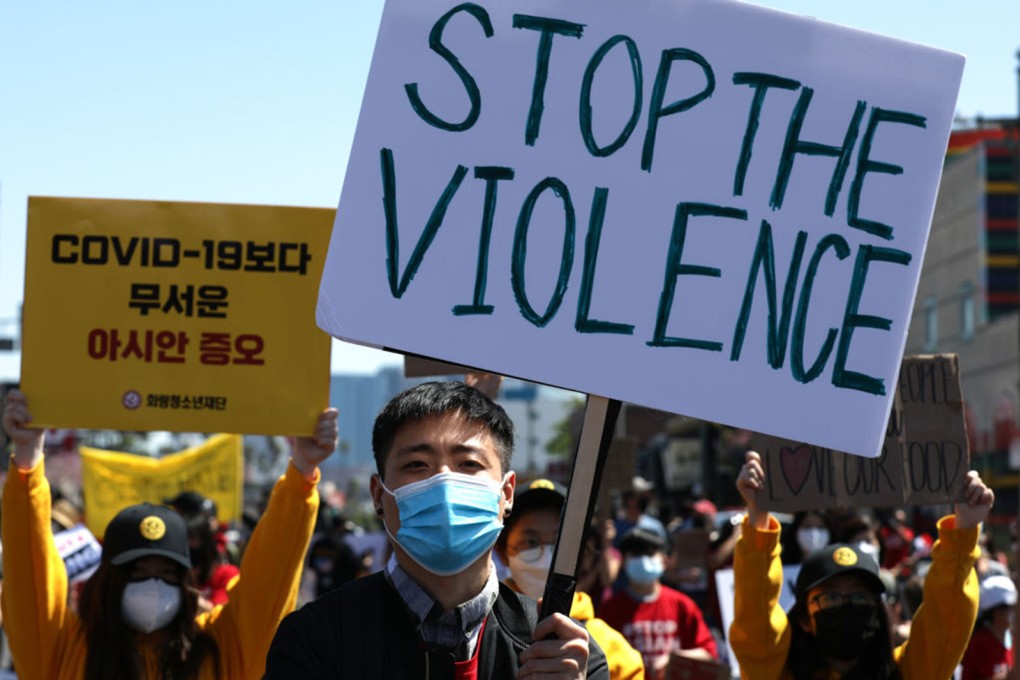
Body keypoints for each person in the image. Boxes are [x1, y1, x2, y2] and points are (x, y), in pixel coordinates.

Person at [265, 381, 608, 679]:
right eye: (417, 465)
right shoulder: (316, 639)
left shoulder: (563, 653)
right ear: (378, 495)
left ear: (506, 494)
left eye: (468, 464)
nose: (444, 483)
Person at [1, 388, 338, 680]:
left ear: (185, 582)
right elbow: (30, 572)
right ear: (108, 580)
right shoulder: (65, 649)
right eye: (138, 572)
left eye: (167, 573)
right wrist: (28, 459)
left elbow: (270, 580)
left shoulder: (223, 648)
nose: (153, 585)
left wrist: (302, 471)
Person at [730, 450, 992, 680]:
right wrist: (758, 517)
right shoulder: (775, 675)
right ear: (803, 619)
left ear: (878, 612)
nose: (847, 607)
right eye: (831, 598)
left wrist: (964, 529)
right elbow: (756, 617)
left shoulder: (908, 672)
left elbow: (946, 620)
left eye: (860, 598)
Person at [495, 478, 645, 680]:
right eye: (530, 542)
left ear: (581, 553)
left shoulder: (614, 651)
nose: (546, 555)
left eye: (558, 542)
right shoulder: (479, 631)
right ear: (502, 552)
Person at [601, 527, 719, 679]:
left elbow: (708, 653)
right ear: (623, 562)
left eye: (650, 554)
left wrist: (673, 660)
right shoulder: (611, 609)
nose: (643, 560)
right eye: (636, 554)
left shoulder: (682, 604)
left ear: (664, 561)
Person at [166, 490, 240, 609]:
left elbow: (219, 613)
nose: (186, 545)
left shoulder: (227, 574)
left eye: (191, 538)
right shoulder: (174, 575)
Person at [960, 574, 1016, 680]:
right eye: (1011, 607)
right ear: (996, 612)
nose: (1015, 612)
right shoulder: (979, 642)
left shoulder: (1015, 639)